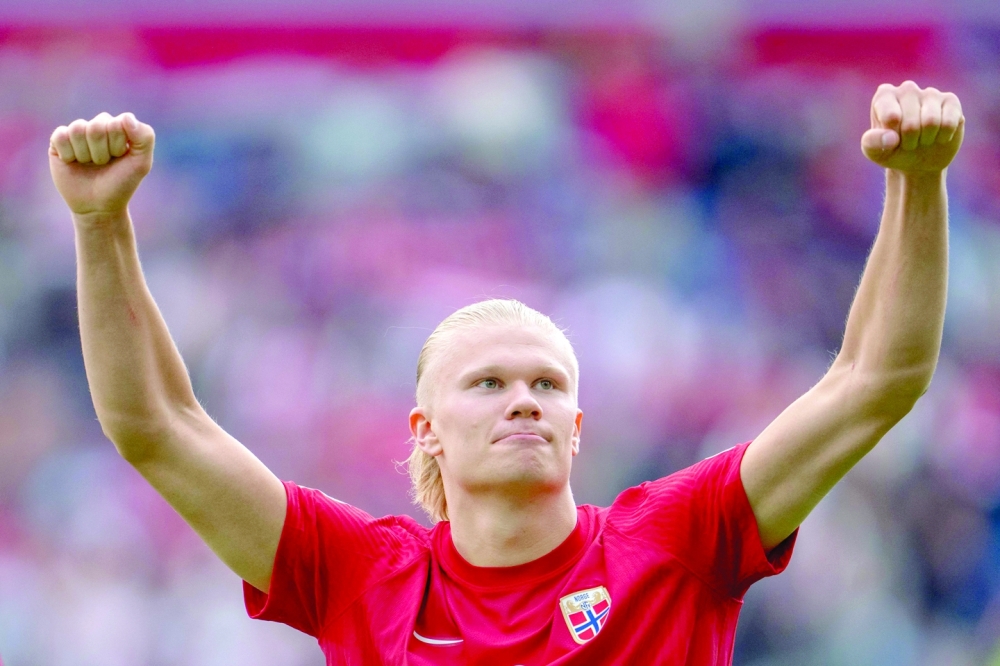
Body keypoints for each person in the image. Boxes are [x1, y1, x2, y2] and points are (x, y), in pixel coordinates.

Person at [48, 80, 963, 664]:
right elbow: (157, 427)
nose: (523, 398)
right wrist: (101, 226)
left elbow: (874, 378)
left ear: (577, 428)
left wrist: (916, 185)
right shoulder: (358, 574)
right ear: (425, 433)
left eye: (548, 385)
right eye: (486, 384)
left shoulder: (678, 541)